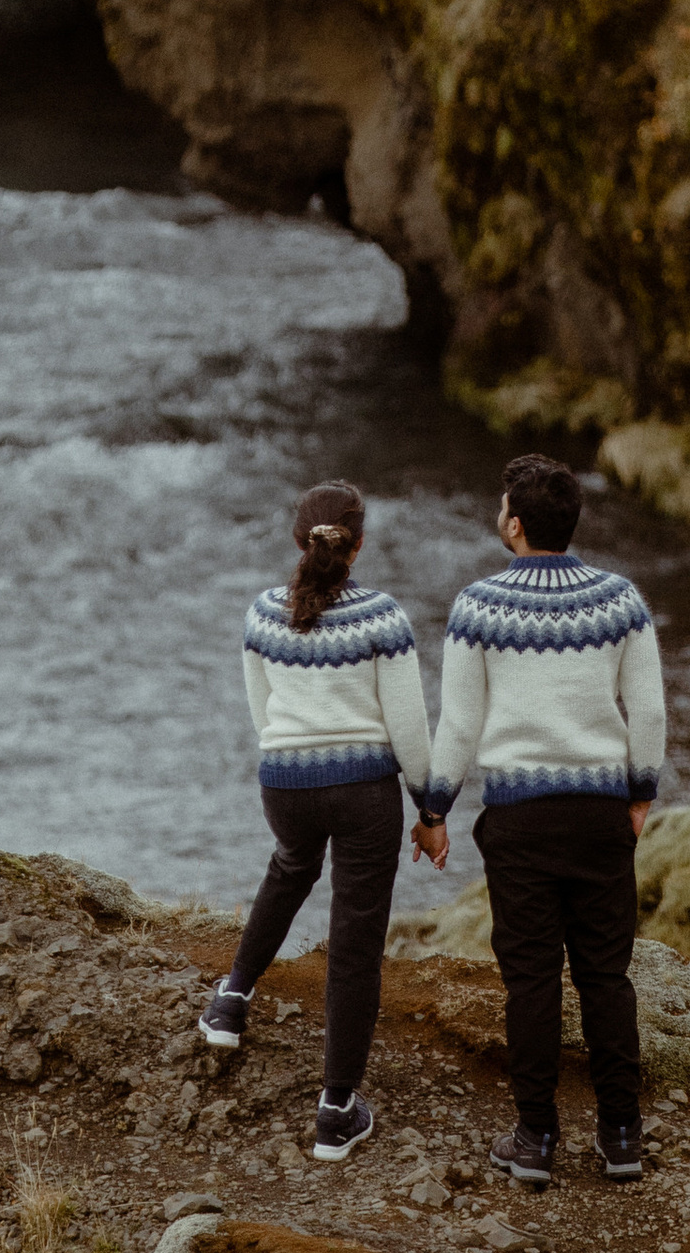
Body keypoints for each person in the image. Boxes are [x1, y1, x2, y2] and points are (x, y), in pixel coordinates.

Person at [416, 451, 665, 1186]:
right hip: (599, 816)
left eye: (501, 508)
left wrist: (433, 812)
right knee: (606, 977)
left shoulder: (478, 607)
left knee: (530, 982)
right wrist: (640, 794)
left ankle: (535, 1141)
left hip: (519, 819)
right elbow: (646, 710)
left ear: (515, 524)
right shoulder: (621, 601)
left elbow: (459, 727)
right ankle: (621, 1137)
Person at [200, 480, 437, 1162]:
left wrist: (291, 762)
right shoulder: (382, 617)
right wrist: (430, 808)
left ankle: (230, 1002)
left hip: (284, 781)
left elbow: (262, 710)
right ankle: (336, 1112)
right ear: (359, 544)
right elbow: (409, 728)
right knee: (355, 941)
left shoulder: (262, 613)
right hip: (364, 793)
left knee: (290, 867)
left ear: (298, 540)